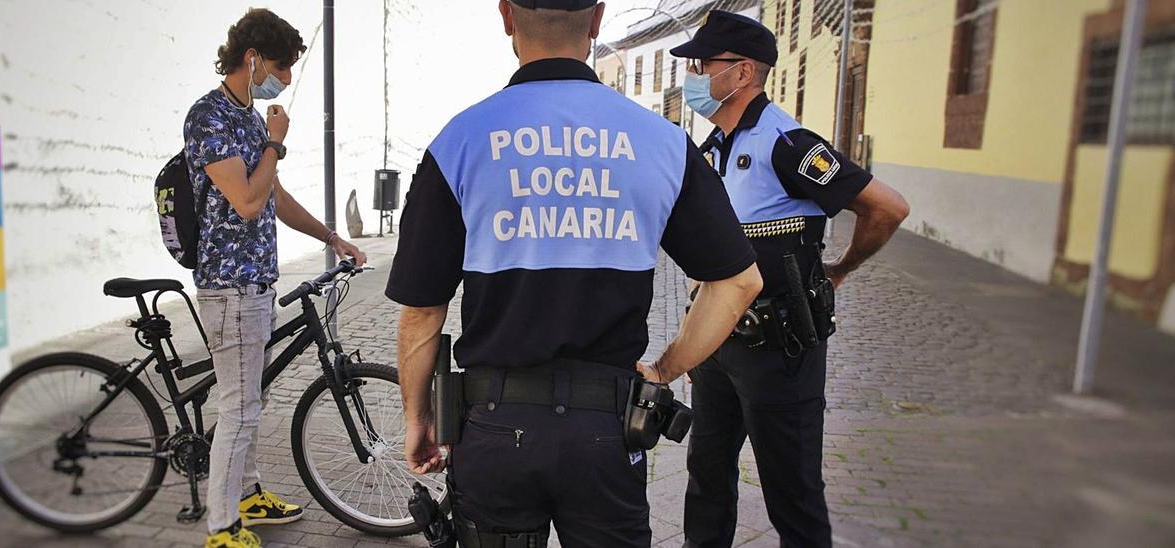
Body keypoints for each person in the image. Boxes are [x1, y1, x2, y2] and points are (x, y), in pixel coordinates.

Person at [387, 1, 764, 546]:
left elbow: (422, 311)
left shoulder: (459, 142)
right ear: (596, 20)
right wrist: (663, 369)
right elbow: (740, 281)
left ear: (506, 17)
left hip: (492, 427)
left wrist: (417, 418)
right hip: (607, 431)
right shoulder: (659, 142)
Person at [667, 11, 910, 548]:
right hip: (718, 347)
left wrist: (841, 269)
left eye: (704, 65)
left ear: (743, 72)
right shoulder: (712, 150)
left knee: (792, 496)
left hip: (779, 351)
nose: (695, 77)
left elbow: (887, 209)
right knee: (707, 481)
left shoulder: (787, 143)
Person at [183, 8, 367, 548]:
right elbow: (245, 201)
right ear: (253, 58)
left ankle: (247, 493)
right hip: (228, 286)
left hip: (256, 284)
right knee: (238, 407)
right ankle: (221, 527)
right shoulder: (210, 116)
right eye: (281, 69)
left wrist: (332, 240)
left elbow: (275, 198)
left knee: (248, 403)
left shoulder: (247, 120)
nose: (285, 81)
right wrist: (276, 142)